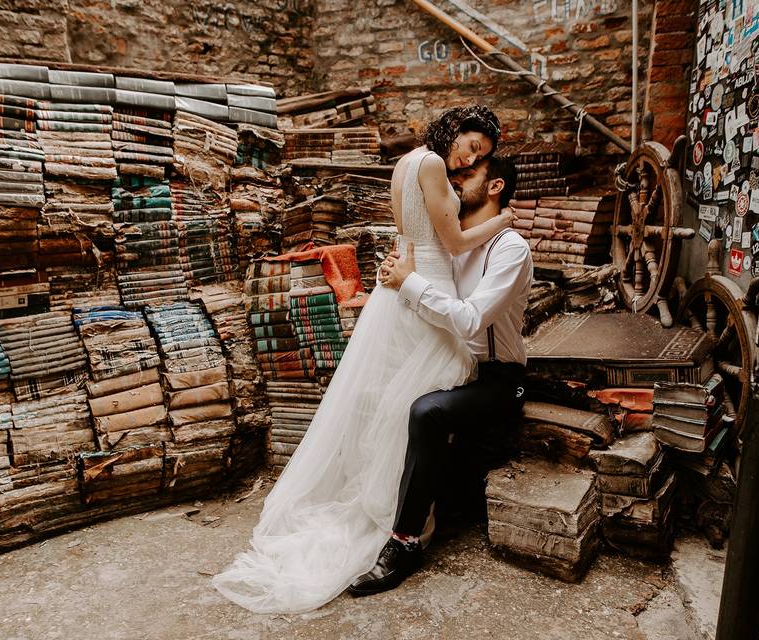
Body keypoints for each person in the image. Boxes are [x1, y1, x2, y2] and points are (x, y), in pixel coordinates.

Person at [212, 106, 514, 614]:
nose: (468, 158)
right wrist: (503, 218)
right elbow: (455, 240)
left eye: (478, 156)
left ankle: (403, 504)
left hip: (398, 285)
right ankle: (396, 517)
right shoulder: (434, 165)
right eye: (470, 145)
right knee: (417, 402)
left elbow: (411, 233)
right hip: (425, 287)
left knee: (396, 401)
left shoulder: (405, 162)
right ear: (454, 129)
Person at [348, 154, 534, 596]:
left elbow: (470, 320)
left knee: (426, 412)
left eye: (468, 175)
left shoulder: (510, 249)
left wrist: (411, 283)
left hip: (499, 379)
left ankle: (405, 543)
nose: (455, 180)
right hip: (457, 366)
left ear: (495, 186)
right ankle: (377, 511)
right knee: (376, 393)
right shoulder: (458, 246)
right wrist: (397, 277)